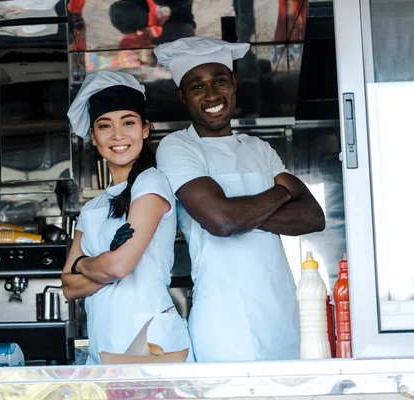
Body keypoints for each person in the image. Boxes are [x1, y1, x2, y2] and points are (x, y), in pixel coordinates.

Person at [153, 37, 326, 362]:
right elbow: (222, 221)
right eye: (196, 86)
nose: (211, 95)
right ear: (182, 96)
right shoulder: (178, 147)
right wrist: (283, 193)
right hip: (225, 320)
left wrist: (237, 212)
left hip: (281, 310)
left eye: (219, 80)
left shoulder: (258, 148)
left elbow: (314, 217)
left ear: (233, 83)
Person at [62, 70, 192, 364]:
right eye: (105, 126)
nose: (118, 135)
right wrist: (103, 263)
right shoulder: (91, 208)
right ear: (93, 137)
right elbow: (69, 288)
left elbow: (120, 267)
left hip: (150, 341)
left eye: (128, 123)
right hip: (104, 339)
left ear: (145, 129)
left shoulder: (151, 182)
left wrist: (83, 264)